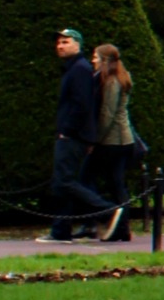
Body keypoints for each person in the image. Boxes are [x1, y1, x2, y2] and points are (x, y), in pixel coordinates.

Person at [41, 25, 116, 244]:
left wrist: (68, 131)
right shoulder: (73, 69)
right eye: (59, 42)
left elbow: (82, 105)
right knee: (62, 183)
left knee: (64, 182)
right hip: (71, 135)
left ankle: (106, 209)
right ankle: (60, 230)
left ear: (77, 45)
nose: (60, 46)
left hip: (72, 136)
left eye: (66, 42)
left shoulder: (80, 70)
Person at [91, 42, 142, 242]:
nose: (92, 60)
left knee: (112, 183)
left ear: (105, 60)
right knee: (116, 183)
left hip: (115, 140)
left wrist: (96, 139)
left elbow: (108, 114)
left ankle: (117, 223)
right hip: (122, 139)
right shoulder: (121, 78)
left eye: (95, 57)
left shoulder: (112, 82)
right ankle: (122, 228)